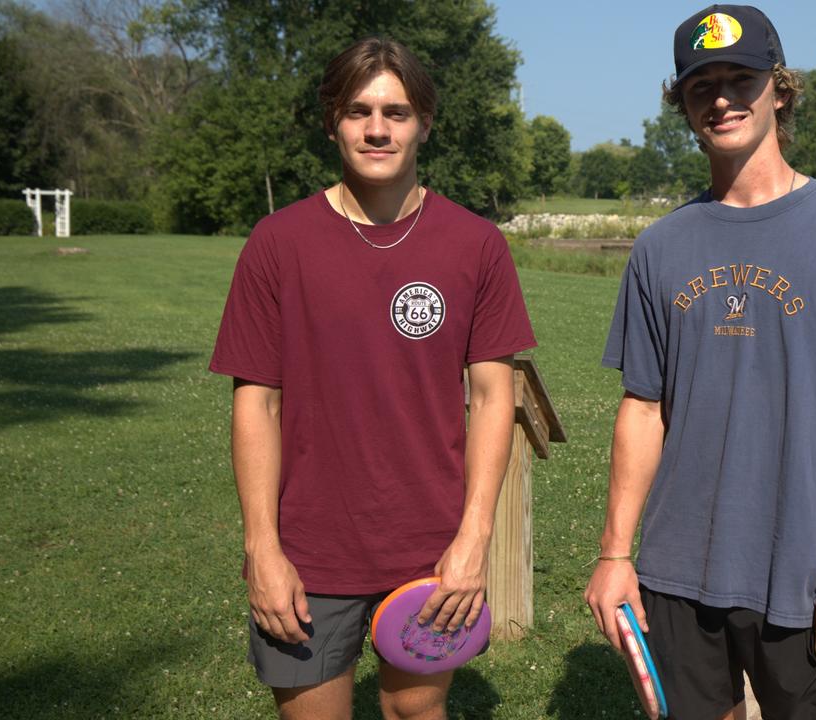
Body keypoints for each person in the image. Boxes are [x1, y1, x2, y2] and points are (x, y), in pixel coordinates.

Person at [584, 5, 816, 719]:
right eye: (700, 86)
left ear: (779, 89)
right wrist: (616, 554)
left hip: (799, 571)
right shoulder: (661, 246)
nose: (721, 99)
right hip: (677, 571)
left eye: (740, 79)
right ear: (681, 105)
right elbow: (643, 407)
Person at [210, 36, 536, 720]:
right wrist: (262, 549)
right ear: (332, 121)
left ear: (425, 122)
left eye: (396, 111)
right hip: (308, 551)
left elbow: (491, 396)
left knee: (415, 712)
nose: (378, 128)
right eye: (359, 110)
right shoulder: (278, 243)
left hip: (429, 549)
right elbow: (256, 405)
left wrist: (473, 542)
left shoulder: (475, 244)